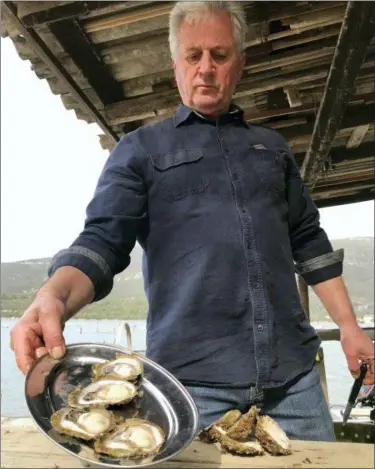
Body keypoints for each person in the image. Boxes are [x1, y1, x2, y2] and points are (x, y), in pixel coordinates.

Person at [11, 1, 374, 441]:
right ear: (176, 64)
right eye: (193, 55)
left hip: (293, 380)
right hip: (191, 386)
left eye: (219, 56)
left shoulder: (272, 148)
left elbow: (308, 240)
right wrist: (52, 296)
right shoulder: (139, 149)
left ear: (238, 64)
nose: (206, 68)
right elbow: (103, 241)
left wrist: (351, 329)